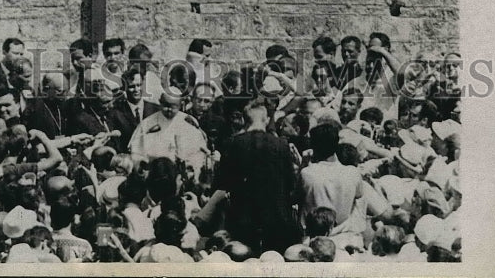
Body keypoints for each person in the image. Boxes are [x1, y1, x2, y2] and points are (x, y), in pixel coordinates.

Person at [214, 95, 299, 255]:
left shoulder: (233, 143)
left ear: (245, 120)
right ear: (266, 119)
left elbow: (223, 182)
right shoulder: (281, 144)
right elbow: (290, 182)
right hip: (276, 217)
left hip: (242, 216)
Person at [298, 122, 365, 234]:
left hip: (315, 234)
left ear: (314, 146)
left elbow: (296, 197)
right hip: (345, 234)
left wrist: (303, 164)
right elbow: (359, 196)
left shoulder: (307, 173)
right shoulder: (352, 173)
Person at [129, 87, 208, 175]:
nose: (169, 109)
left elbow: (199, 153)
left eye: (173, 106)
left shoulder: (189, 122)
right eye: (166, 105)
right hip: (155, 174)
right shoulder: (147, 124)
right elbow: (136, 152)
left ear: (181, 104)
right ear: (160, 102)